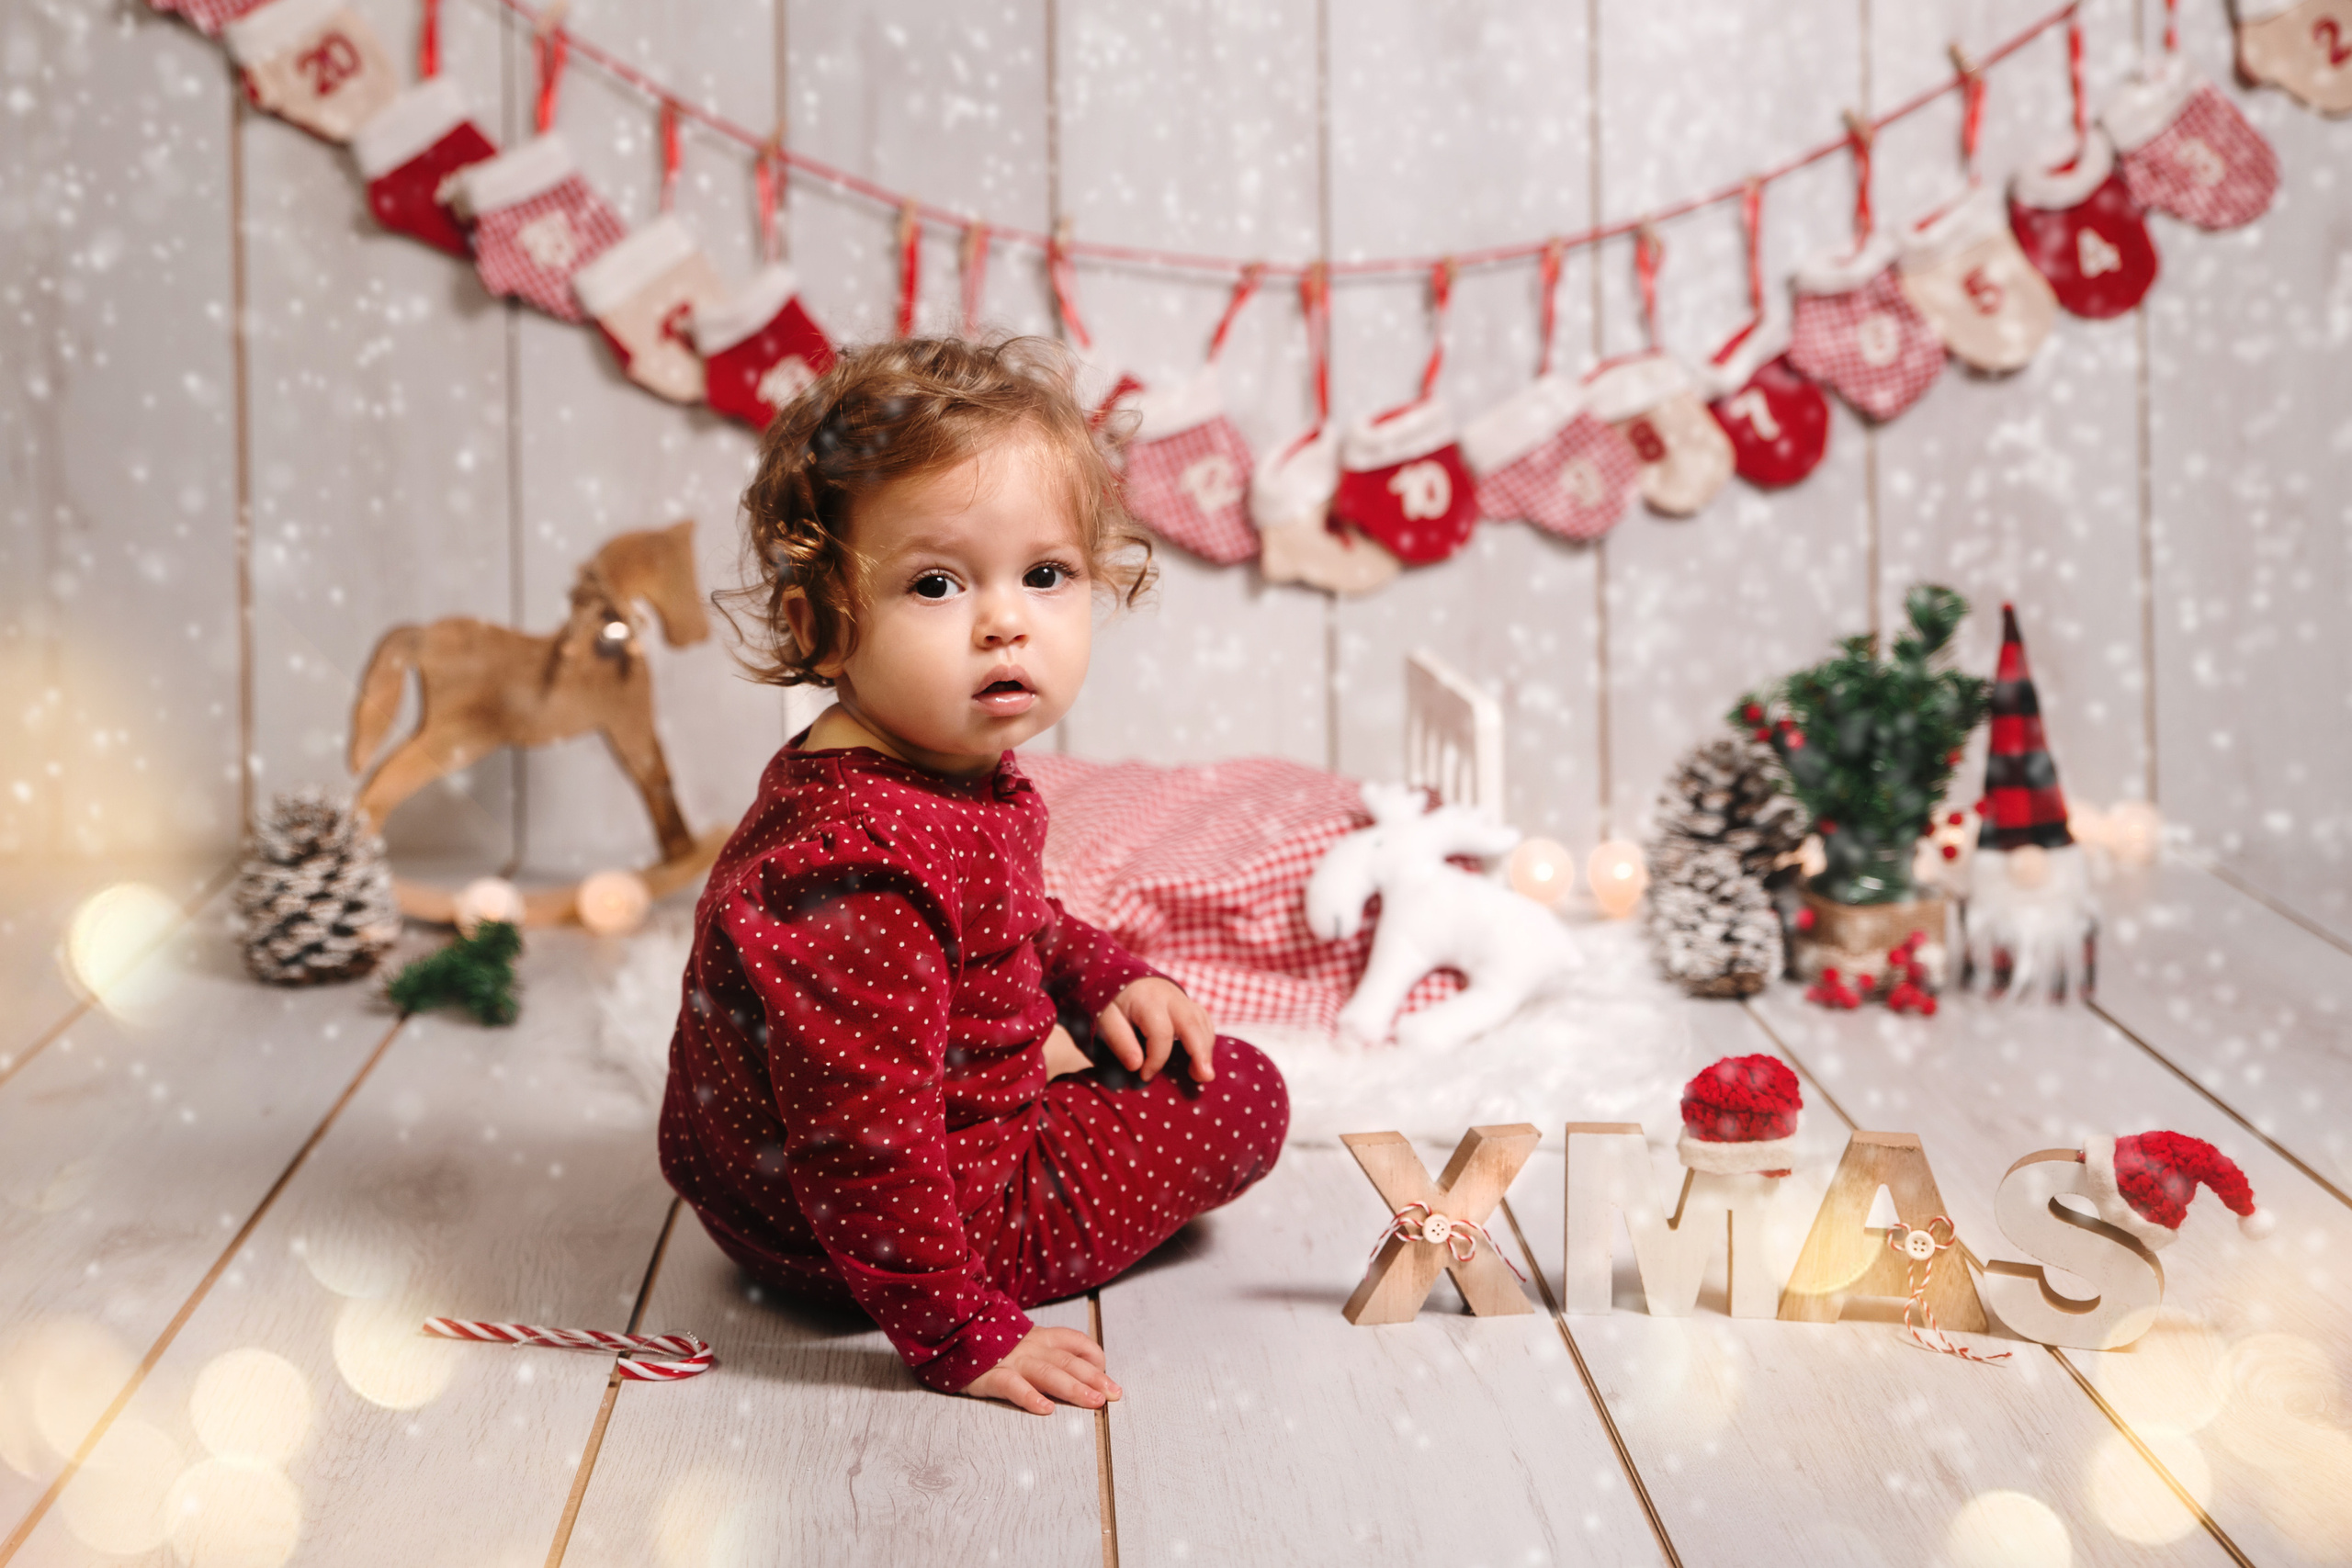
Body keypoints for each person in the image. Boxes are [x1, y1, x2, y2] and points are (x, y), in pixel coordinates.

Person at [660, 336, 1289, 1416]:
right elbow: (861, 1142)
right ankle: (968, 1248)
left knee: (1143, 1031)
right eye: (937, 583)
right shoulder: (853, 875)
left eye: (1046, 574)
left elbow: (1012, 915)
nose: (1008, 620)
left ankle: (1039, 1068)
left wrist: (1099, 977)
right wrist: (962, 1333)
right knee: (1237, 1092)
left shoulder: (922, 773)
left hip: (783, 1201)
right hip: (896, 1226)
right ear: (819, 627)